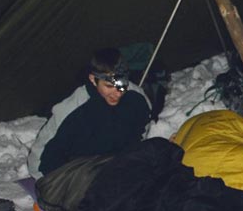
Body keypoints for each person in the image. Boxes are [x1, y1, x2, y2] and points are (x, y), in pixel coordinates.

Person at [27, 48, 152, 178]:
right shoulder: (74, 106)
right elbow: (42, 151)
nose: (118, 93)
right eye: (109, 86)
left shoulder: (137, 98)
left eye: (122, 85)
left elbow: (141, 135)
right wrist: (42, 182)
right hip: (79, 173)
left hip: (117, 167)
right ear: (93, 79)